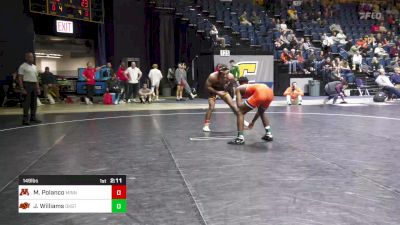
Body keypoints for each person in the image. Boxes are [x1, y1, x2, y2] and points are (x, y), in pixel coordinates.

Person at [228, 77, 274, 145]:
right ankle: (269, 134)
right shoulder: (252, 86)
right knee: (262, 112)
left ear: (239, 83)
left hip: (260, 92)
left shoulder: (239, 88)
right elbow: (259, 111)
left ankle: (240, 138)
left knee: (239, 112)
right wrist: (252, 122)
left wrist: (243, 109)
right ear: (247, 82)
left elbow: (239, 106)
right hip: (270, 92)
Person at [203, 65, 240, 132]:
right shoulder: (212, 76)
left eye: (227, 74)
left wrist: (229, 89)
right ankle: (206, 125)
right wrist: (217, 92)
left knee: (233, 105)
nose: (226, 76)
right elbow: (207, 87)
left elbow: (233, 86)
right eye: (224, 74)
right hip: (213, 90)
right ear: (219, 73)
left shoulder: (230, 76)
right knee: (211, 107)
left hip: (222, 90)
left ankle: (241, 118)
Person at [18, 52, 41, 125]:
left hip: (34, 85)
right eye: (30, 57)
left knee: (34, 103)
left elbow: (36, 78)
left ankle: (33, 118)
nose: (32, 58)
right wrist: (22, 88)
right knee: (26, 103)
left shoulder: (34, 66)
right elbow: (20, 78)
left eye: (32, 57)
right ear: (26, 58)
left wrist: (38, 88)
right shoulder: (22, 66)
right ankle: (25, 120)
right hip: (26, 85)